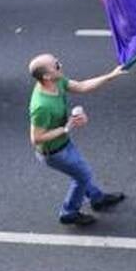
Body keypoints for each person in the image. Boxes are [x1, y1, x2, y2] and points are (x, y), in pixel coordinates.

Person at [28, 53, 128, 226]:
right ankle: (69, 212)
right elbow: (36, 138)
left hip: (63, 144)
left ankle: (97, 198)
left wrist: (110, 76)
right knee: (82, 176)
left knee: (81, 172)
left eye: (58, 61)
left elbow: (81, 86)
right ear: (46, 76)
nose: (61, 65)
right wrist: (66, 127)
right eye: (56, 65)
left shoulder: (57, 81)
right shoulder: (41, 106)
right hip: (53, 153)